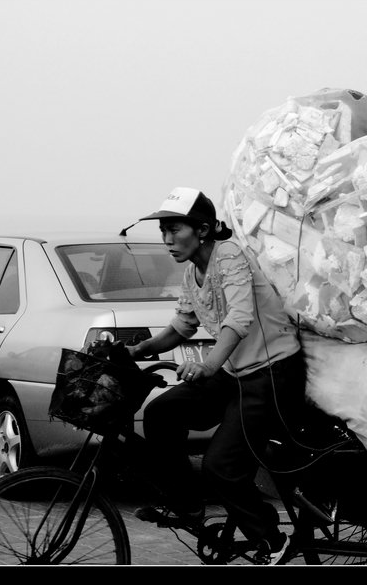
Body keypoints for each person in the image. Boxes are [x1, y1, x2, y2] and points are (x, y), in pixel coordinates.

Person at [126, 186, 304, 565]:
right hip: (235, 372)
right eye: (164, 232)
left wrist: (207, 365)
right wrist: (139, 351)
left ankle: (272, 539)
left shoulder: (230, 256)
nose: (167, 240)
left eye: (175, 230)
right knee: (161, 413)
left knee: (221, 467)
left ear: (203, 230)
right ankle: (186, 505)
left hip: (271, 374)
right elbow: (182, 326)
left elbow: (238, 320)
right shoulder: (193, 272)